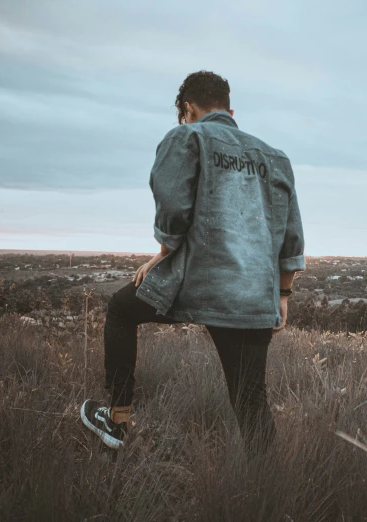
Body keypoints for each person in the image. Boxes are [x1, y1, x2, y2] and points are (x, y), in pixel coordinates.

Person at [80, 71, 306, 457]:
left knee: (120, 309)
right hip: (253, 297)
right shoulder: (275, 158)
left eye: (182, 114)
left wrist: (162, 255)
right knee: (251, 400)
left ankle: (117, 421)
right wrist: (282, 296)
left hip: (197, 283)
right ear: (230, 109)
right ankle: (267, 492)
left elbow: (174, 211)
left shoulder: (186, 137)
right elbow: (291, 238)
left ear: (187, 109)